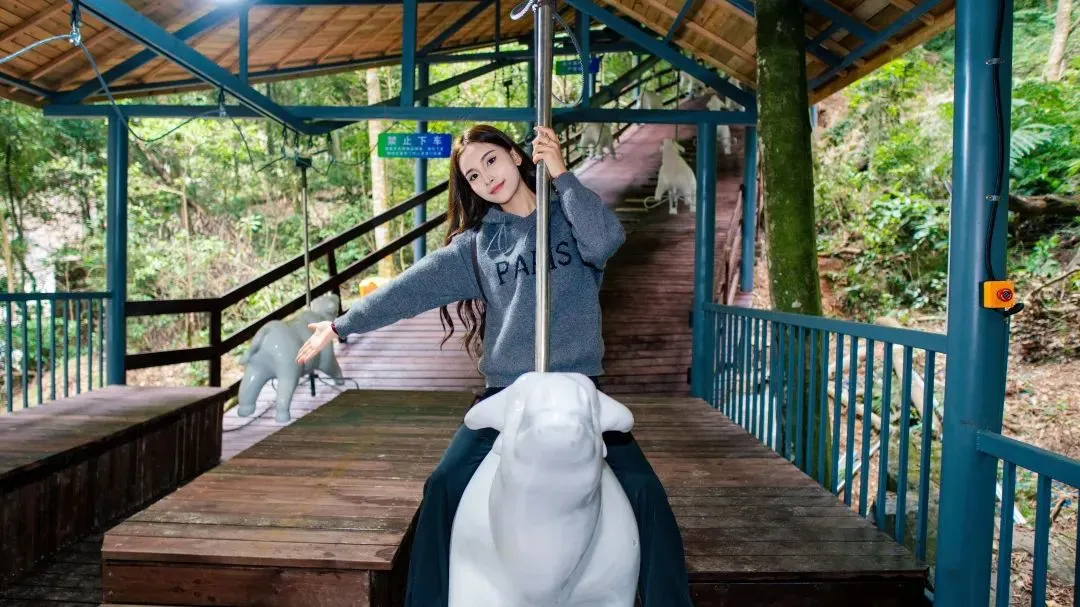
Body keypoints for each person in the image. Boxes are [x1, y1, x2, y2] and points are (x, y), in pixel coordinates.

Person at [296, 124, 693, 606]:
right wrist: (341, 325)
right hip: (509, 394)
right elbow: (409, 288)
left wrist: (562, 174)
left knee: (645, 492)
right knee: (443, 485)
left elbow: (606, 240)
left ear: (515, 156)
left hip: (576, 391)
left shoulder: (570, 216)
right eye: (473, 176)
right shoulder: (479, 246)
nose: (486, 178)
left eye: (491, 161)